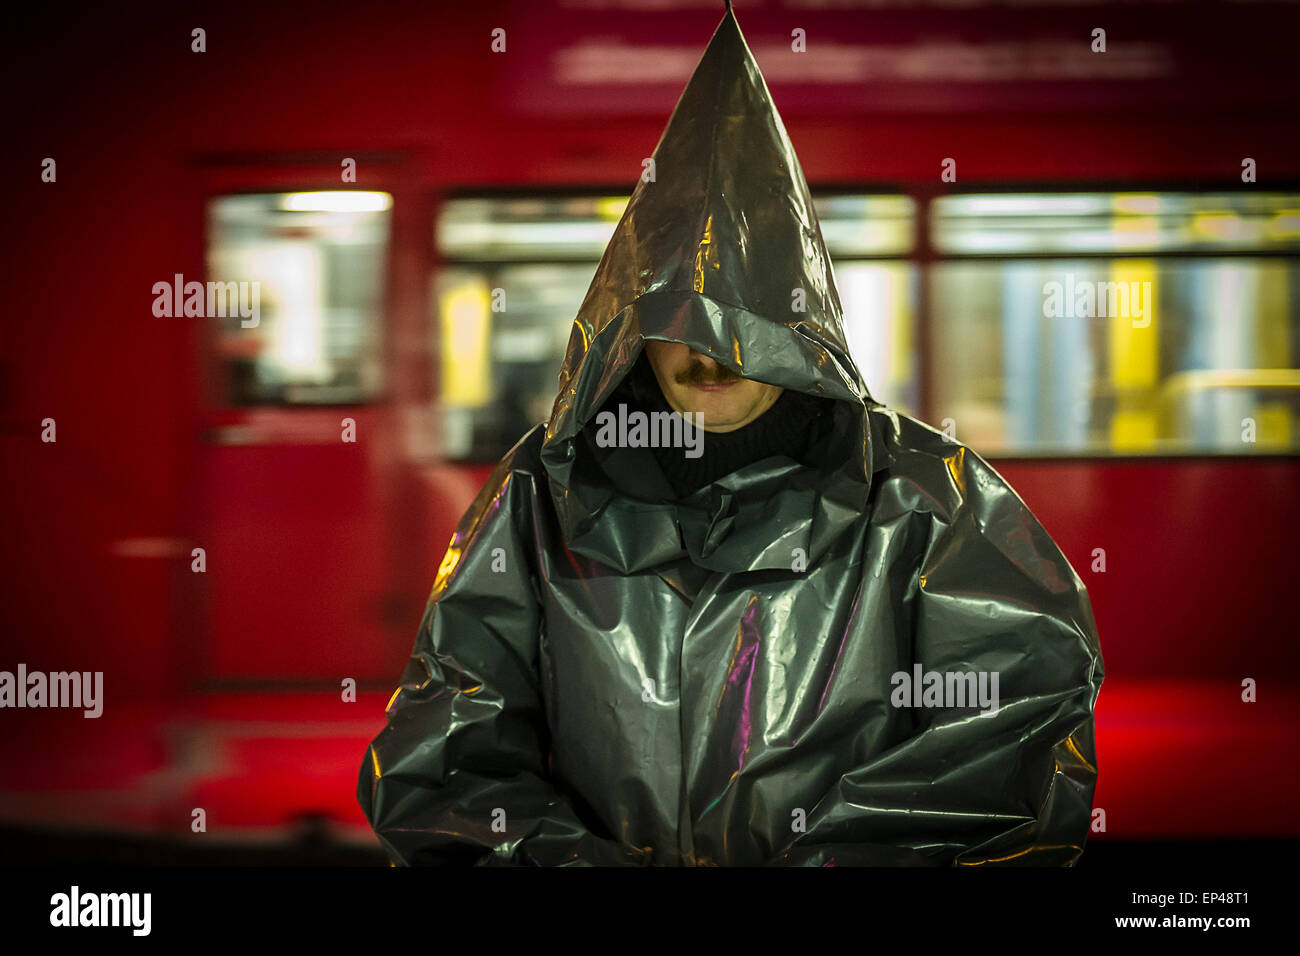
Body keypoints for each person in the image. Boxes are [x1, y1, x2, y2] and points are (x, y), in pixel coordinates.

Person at [357, 5, 1103, 866]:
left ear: (800, 326)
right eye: (683, 320)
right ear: (632, 326)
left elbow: (1012, 733)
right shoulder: (539, 495)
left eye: (748, 323)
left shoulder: (926, 499)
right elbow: (449, 755)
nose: (716, 355)